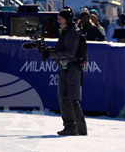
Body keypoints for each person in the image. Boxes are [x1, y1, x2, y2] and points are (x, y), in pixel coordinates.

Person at [36, 8, 88, 136]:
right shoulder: (68, 31)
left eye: (61, 18)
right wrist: (48, 51)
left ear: (67, 19)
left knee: (65, 98)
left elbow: (69, 53)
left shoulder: (71, 33)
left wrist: (50, 54)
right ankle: (80, 129)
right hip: (69, 69)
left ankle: (71, 127)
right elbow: (64, 50)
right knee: (70, 99)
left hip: (70, 69)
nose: (58, 20)